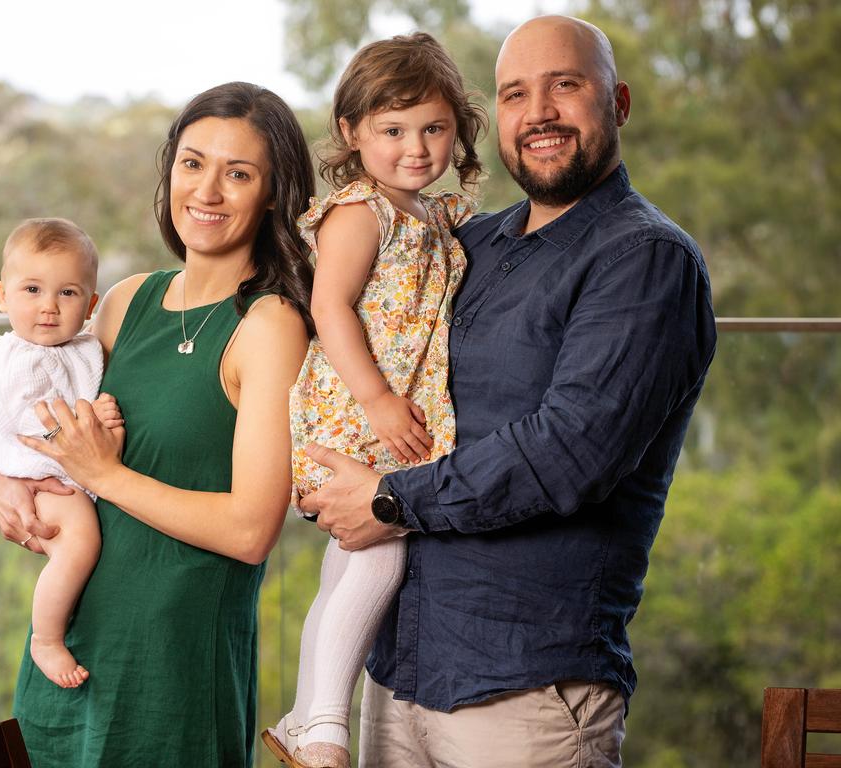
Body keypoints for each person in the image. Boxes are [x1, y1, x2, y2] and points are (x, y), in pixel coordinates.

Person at [299, 16, 718, 768]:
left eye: (567, 85)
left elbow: (570, 453)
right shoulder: (467, 244)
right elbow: (342, 315)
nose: (541, 112)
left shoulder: (644, 259)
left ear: (618, 102)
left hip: (527, 686)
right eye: (517, 94)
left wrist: (390, 498)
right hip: (400, 672)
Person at [0, 82, 315, 767]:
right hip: (71, 648)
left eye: (239, 173)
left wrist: (105, 474)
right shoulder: (124, 300)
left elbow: (252, 532)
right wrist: (3, 479)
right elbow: (48, 421)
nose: (209, 191)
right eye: (193, 164)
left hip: (173, 669)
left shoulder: (269, 325)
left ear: (274, 194)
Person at [263, 33, 487, 768]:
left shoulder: (428, 215)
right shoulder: (361, 212)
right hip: (355, 407)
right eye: (392, 131)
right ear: (353, 134)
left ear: (458, 129)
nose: (415, 148)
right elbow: (330, 309)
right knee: (382, 547)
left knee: (351, 556)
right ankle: (326, 726)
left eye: (434, 128)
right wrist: (381, 399)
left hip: (390, 405)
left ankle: (301, 717)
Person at [0, 217, 123, 689]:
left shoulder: (81, 346)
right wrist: (89, 417)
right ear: (2, 296)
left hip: (70, 466)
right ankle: (46, 639)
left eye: (68, 294)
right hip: (41, 473)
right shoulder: (16, 358)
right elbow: (26, 418)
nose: (49, 307)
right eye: (32, 289)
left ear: (91, 304)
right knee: (78, 543)